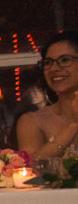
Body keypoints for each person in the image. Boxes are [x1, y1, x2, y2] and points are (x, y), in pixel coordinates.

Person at [19, 30, 78, 166]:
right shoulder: (32, 121)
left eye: (64, 60)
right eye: (48, 62)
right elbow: (29, 168)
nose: (54, 68)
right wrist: (73, 126)